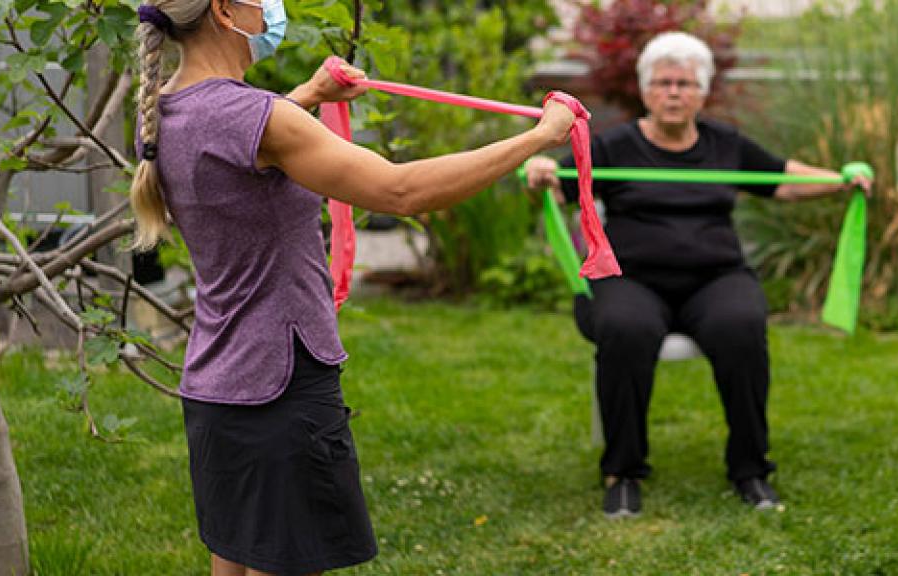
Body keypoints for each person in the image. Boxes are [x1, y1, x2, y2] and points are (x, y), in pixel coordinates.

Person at [131, 0, 575, 573]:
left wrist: (308, 96)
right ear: (223, 10)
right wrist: (538, 138)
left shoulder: (167, 112)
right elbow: (400, 192)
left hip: (217, 384)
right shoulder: (257, 117)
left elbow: (241, 147)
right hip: (282, 383)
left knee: (236, 558)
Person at [524, 31, 871, 519]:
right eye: (663, 82)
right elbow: (556, 184)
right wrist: (539, 170)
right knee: (625, 329)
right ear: (646, 91)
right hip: (630, 277)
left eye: (685, 83)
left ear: (701, 93)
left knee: (742, 327)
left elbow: (782, 178)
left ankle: (750, 469)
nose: (673, 92)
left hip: (716, 277)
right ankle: (622, 472)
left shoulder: (724, 143)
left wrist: (839, 179)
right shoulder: (615, 146)